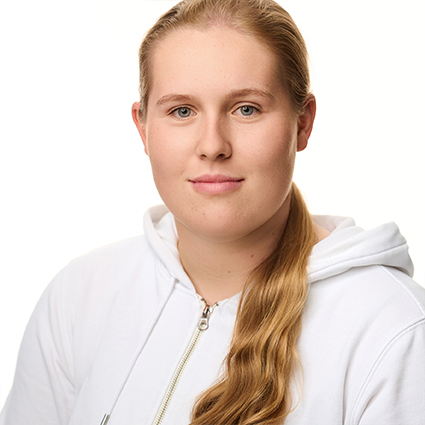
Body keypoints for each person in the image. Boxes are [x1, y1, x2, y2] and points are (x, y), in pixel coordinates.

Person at [1, 0, 424, 424]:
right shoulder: (79, 295)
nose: (212, 145)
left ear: (303, 123)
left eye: (246, 109)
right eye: (182, 111)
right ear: (143, 128)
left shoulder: (394, 332)